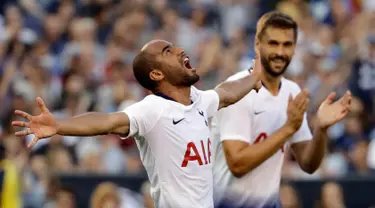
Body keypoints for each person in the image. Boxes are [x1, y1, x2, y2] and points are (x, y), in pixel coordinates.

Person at [12, 39, 262, 208]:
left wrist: (255, 77)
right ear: (156, 74)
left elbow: (227, 93)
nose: (179, 51)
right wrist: (60, 125)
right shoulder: (152, 109)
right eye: (168, 51)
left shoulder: (198, 101)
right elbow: (108, 121)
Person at [211, 11, 352, 208]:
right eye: (273, 43)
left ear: (295, 49)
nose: (280, 52)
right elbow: (237, 164)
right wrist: (288, 129)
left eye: (287, 45)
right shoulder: (237, 90)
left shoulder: (291, 91)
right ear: (257, 44)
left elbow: (308, 164)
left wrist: (321, 129)